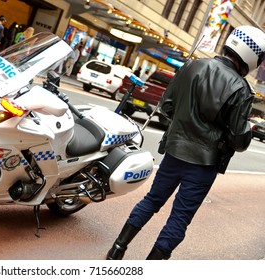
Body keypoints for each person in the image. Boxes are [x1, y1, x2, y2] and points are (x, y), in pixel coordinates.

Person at [106, 25, 265, 260]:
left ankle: (117, 249)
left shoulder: (193, 66)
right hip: (204, 164)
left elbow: (167, 105)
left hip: (174, 151)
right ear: (253, 54)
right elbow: (238, 141)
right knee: (179, 219)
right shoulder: (241, 89)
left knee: (151, 201)